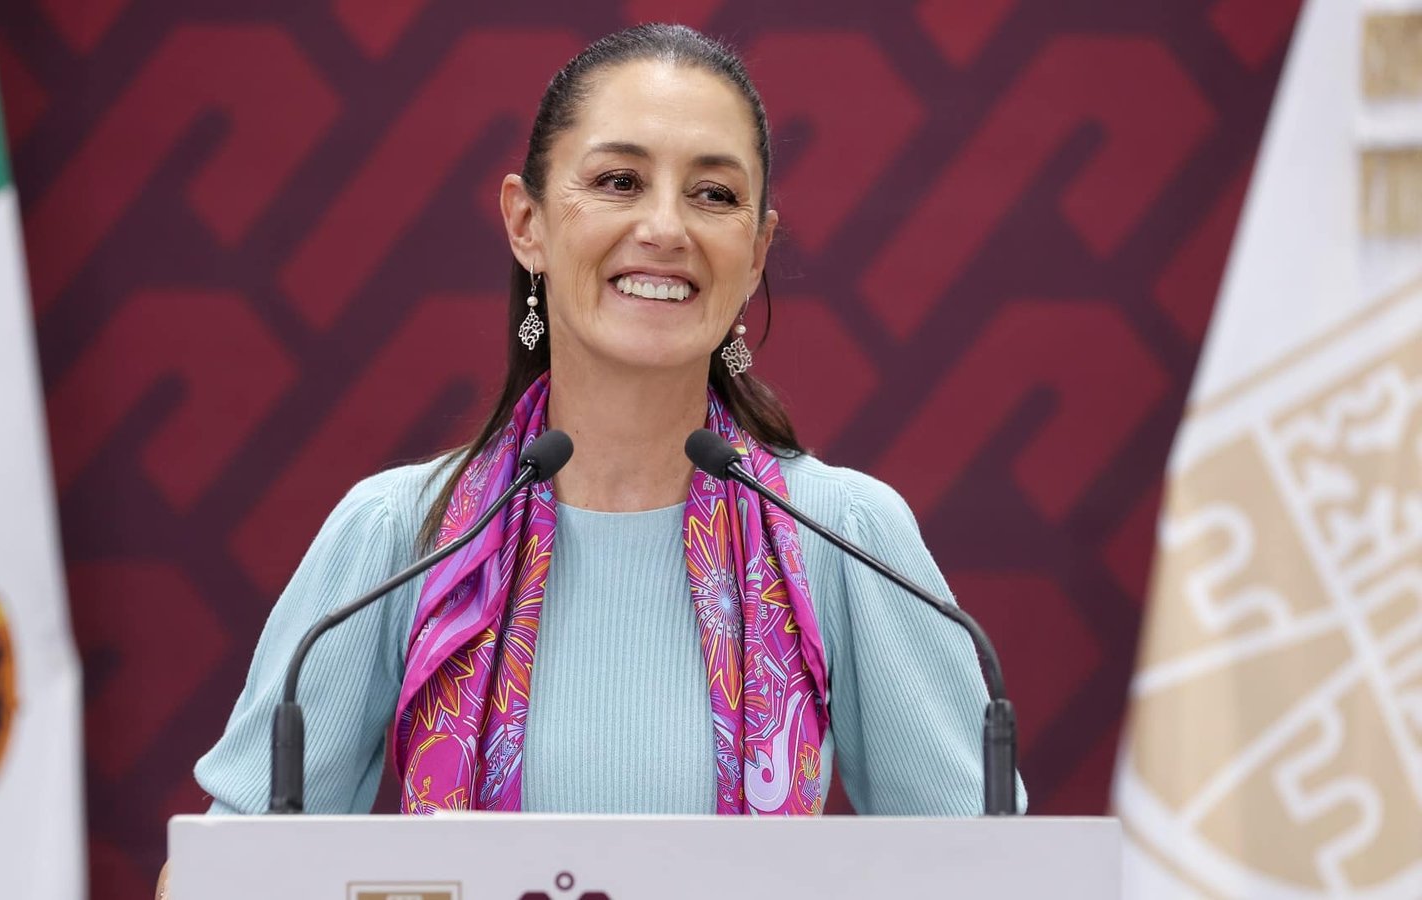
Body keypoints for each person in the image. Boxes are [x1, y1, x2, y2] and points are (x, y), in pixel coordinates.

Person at [188, 18, 1019, 836]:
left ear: (757, 253)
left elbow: (993, 872)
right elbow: (224, 874)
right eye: (620, 181)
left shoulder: (843, 533)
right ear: (527, 223)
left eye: (714, 195)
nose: (665, 229)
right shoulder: (402, 533)